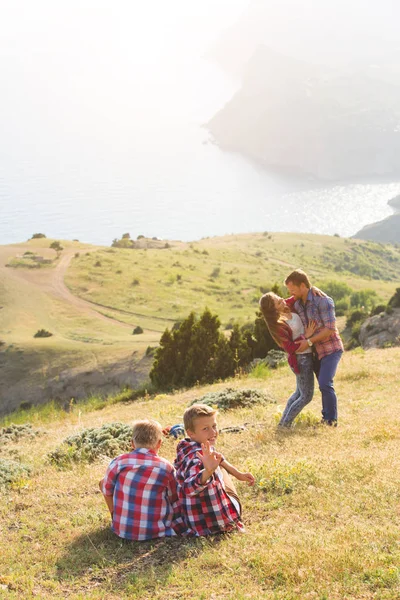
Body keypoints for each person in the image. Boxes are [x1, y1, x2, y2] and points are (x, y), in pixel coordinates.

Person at [174, 403, 255, 536]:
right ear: (191, 433)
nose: (213, 432)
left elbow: (218, 457)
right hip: (218, 523)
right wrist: (209, 471)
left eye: (214, 426)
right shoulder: (197, 458)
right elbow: (189, 487)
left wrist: (238, 474)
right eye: (205, 428)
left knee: (218, 464)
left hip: (194, 521)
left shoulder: (185, 446)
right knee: (219, 469)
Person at [99, 418, 181, 541]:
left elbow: (106, 489)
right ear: (159, 443)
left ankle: (116, 517)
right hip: (158, 531)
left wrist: (113, 512)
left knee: (103, 482)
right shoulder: (166, 467)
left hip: (122, 531)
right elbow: (173, 496)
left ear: (132, 443)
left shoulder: (120, 461)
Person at [284, 269, 344, 426]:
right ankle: (326, 418)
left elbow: (330, 328)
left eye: (293, 289)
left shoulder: (323, 301)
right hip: (315, 353)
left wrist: (309, 341)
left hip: (331, 349)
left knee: (325, 383)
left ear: (303, 285)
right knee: (322, 385)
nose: (291, 293)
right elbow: (279, 305)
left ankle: (331, 421)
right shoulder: (297, 303)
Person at [259, 292, 316, 427]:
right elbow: (290, 348)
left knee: (298, 393)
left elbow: (296, 295)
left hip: (306, 356)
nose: (283, 302)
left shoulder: (286, 307)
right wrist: (305, 337)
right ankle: (285, 425)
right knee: (306, 396)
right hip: (301, 360)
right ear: (274, 310)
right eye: (279, 302)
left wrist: (308, 290)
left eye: (280, 299)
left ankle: (282, 424)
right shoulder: (278, 326)